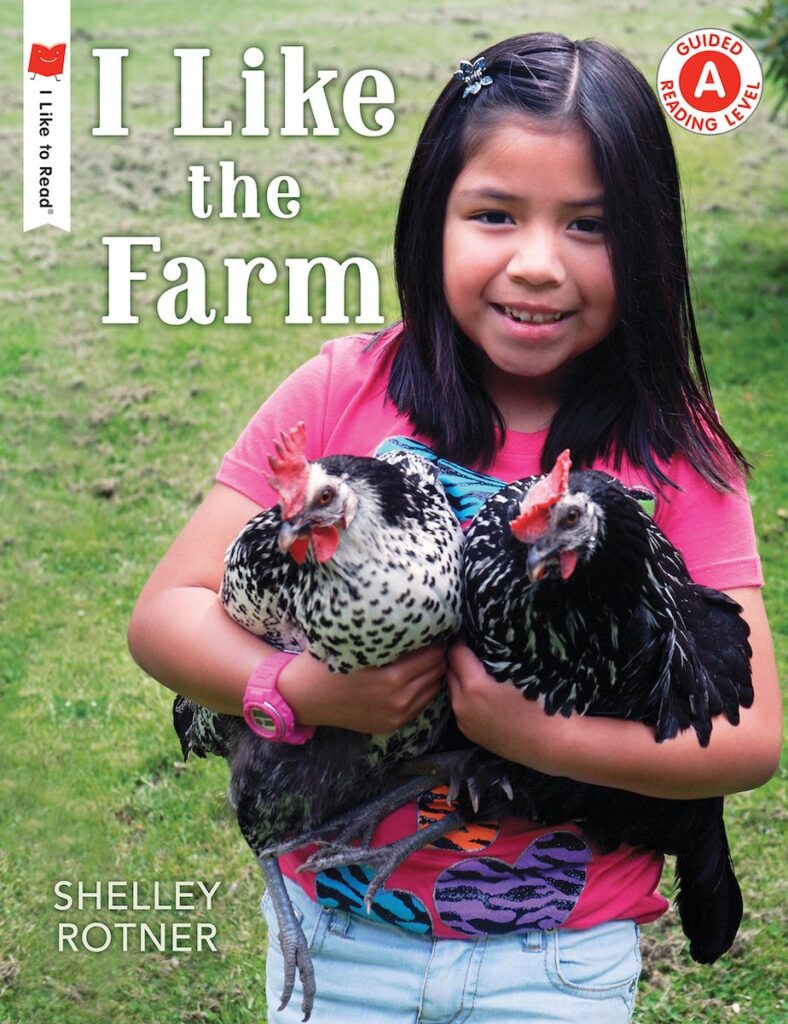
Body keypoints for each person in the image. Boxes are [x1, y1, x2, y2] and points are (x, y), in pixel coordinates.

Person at [127, 32, 780, 1024]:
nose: (535, 264)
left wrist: (534, 734)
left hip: (557, 955)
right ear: (430, 219)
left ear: (648, 245)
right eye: (493, 214)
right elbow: (163, 617)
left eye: (588, 226)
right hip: (337, 938)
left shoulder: (672, 455)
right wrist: (295, 686)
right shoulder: (344, 392)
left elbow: (746, 738)